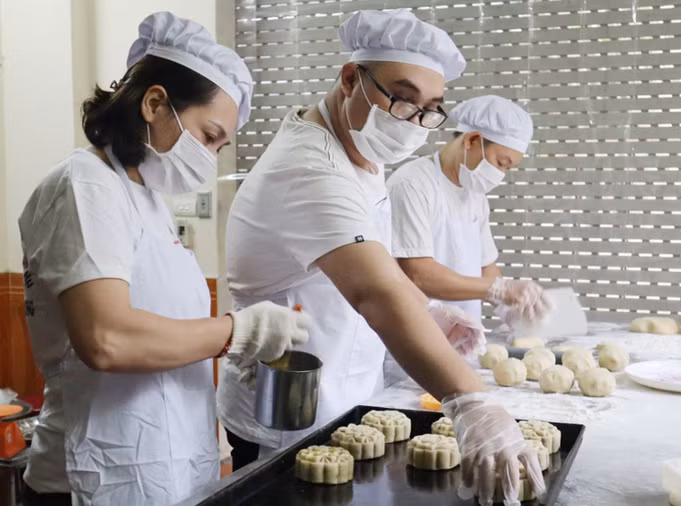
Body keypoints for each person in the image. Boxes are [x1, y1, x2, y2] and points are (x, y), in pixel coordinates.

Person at [218, 10, 545, 505]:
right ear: (350, 78)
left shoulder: (362, 158)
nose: (414, 122)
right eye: (401, 99)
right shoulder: (312, 168)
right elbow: (373, 291)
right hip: (287, 410)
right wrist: (472, 400)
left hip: (344, 395)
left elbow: (374, 264)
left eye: (430, 109)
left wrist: (427, 310)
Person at [18, 12, 310, 506]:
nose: (213, 156)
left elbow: (167, 334)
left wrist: (239, 351)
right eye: (210, 134)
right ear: (156, 103)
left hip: (167, 473)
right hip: (94, 478)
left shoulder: (148, 202)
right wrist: (237, 331)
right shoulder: (84, 185)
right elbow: (106, 339)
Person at [387, 95, 550, 325]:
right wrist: (498, 290)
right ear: (472, 140)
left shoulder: (475, 194)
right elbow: (419, 273)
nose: (501, 174)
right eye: (501, 163)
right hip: (415, 337)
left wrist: (510, 308)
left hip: (465, 336)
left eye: (508, 168)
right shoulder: (413, 184)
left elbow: (486, 266)